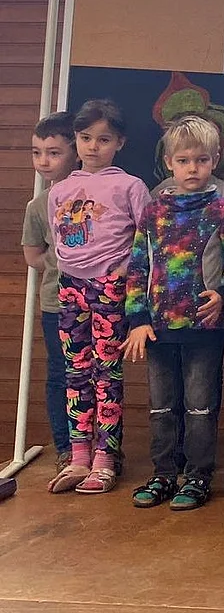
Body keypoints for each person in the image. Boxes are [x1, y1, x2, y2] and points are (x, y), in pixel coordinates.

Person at [123, 116, 224, 510]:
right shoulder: (153, 211)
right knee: (161, 405)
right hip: (158, 326)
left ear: (214, 161)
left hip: (205, 326)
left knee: (199, 405)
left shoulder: (223, 208)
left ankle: (197, 476)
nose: (192, 168)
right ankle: (162, 473)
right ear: (168, 162)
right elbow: (138, 266)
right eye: (183, 161)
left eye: (201, 160)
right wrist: (138, 319)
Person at [46, 99, 150, 494]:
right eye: (85, 138)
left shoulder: (129, 186)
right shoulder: (61, 189)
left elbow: (148, 237)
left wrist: (123, 271)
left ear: (119, 142)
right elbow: (60, 239)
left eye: (103, 139)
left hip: (109, 288)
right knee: (75, 371)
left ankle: (105, 458)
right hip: (70, 286)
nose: (93, 146)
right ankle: (78, 456)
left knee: (107, 371)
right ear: (75, 139)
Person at [22, 112, 78, 471]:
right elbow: (33, 255)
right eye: (37, 152)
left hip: (95, 302)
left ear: (75, 152)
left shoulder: (95, 193)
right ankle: (65, 447)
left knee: (95, 375)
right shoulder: (37, 205)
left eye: (54, 152)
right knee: (60, 373)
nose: (44, 161)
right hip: (55, 302)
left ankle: (101, 448)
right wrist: (62, 265)